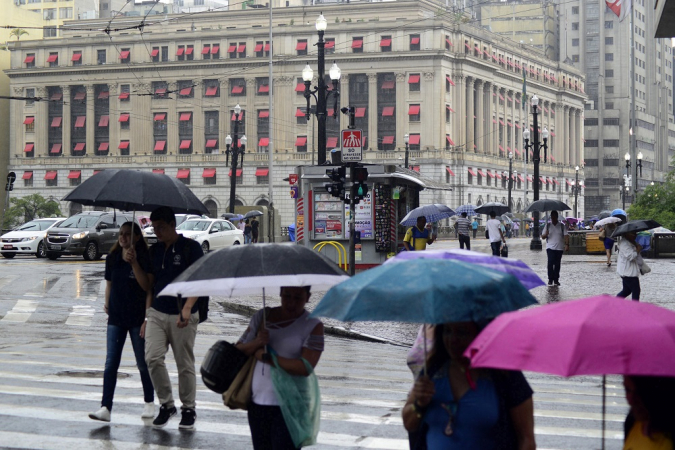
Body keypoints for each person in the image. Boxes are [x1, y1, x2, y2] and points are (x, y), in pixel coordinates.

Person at [402, 322, 536, 450]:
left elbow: (526, 440)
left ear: (480, 333)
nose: (453, 340)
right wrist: (419, 404)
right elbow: (409, 424)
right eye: (447, 331)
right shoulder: (433, 371)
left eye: (462, 332)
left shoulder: (505, 376)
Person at [236, 286, 325, 450]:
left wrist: (268, 358)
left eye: (298, 297)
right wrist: (257, 342)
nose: (291, 302)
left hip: (291, 405)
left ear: (308, 297)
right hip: (258, 403)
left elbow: (305, 367)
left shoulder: (313, 325)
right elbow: (238, 349)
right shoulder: (262, 317)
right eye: (287, 296)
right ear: (280, 293)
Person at [144, 206, 204, 430]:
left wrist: (188, 307)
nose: (157, 231)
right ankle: (167, 404)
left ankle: (188, 408)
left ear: (172, 225)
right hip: (157, 312)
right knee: (152, 357)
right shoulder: (155, 250)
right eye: (154, 227)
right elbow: (149, 284)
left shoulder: (191, 248)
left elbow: (199, 281)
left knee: (184, 363)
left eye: (160, 227)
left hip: (182, 312)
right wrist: (147, 314)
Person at [89, 221, 155, 423]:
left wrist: (134, 263)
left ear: (137, 237)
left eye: (128, 234)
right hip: (116, 317)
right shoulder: (112, 257)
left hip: (137, 317)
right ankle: (105, 407)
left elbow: (147, 288)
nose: (123, 237)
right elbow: (109, 284)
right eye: (121, 233)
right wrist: (107, 302)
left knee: (142, 363)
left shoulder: (144, 257)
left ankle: (149, 402)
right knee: (110, 364)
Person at [623, 376, 675, 450]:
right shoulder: (632, 423)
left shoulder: (668, 441)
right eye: (627, 390)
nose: (631, 400)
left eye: (639, 392)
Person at [541, 210, 569, 286]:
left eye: (554, 217)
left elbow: (566, 235)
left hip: (559, 248)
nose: (552, 219)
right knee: (550, 263)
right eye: (551, 217)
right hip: (550, 247)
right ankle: (550, 279)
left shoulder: (562, 226)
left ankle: (556, 280)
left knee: (557, 264)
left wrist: (567, 244)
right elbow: (542, 237)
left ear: (556, 217)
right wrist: (546, 234)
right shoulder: (548, 225)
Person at [616, 231, 643, 301]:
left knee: (627, 290)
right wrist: (637, 250)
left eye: (636, 234)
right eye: (633, 234)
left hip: (629, 271)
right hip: (628, 272)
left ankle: (614, 302)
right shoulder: (624, 244)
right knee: (636, 291)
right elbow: (630, 256)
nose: (635, 236)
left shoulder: (631, 242)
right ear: (626, 234)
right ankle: (635, 308)